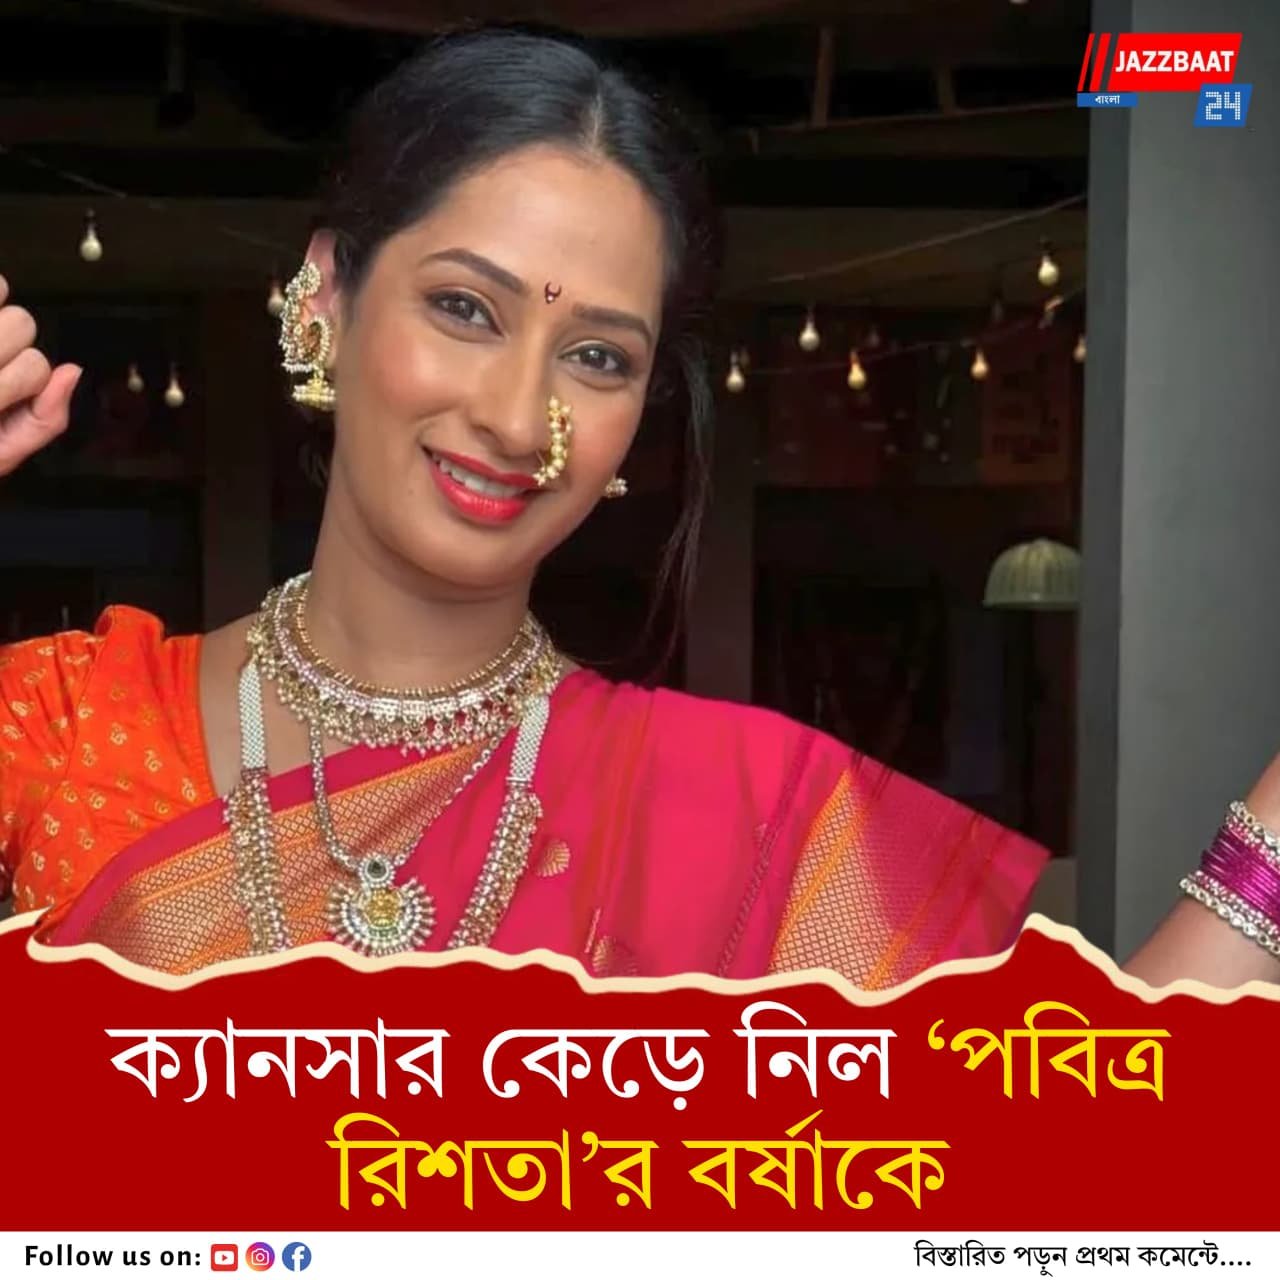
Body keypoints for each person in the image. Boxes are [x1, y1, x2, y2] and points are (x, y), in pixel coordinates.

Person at [0, 30, 1056, 982]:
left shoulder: (739, 809)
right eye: (464, 308)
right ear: (325, 295)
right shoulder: (61, 726)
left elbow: (1060, 1101)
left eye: (596, 357)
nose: (515, 420)